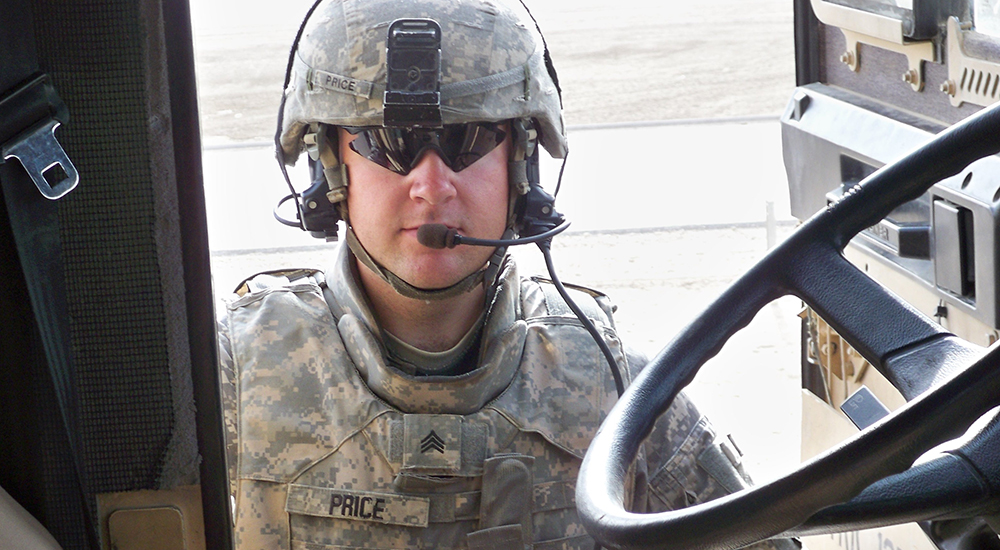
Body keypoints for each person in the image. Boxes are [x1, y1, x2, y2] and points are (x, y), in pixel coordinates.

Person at [218, 0, 798, 548]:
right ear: (331, 169)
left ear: (520, 166)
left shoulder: (610, 384)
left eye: (467, 140)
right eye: (390, 144)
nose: (431, 186)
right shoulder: (233, 379)